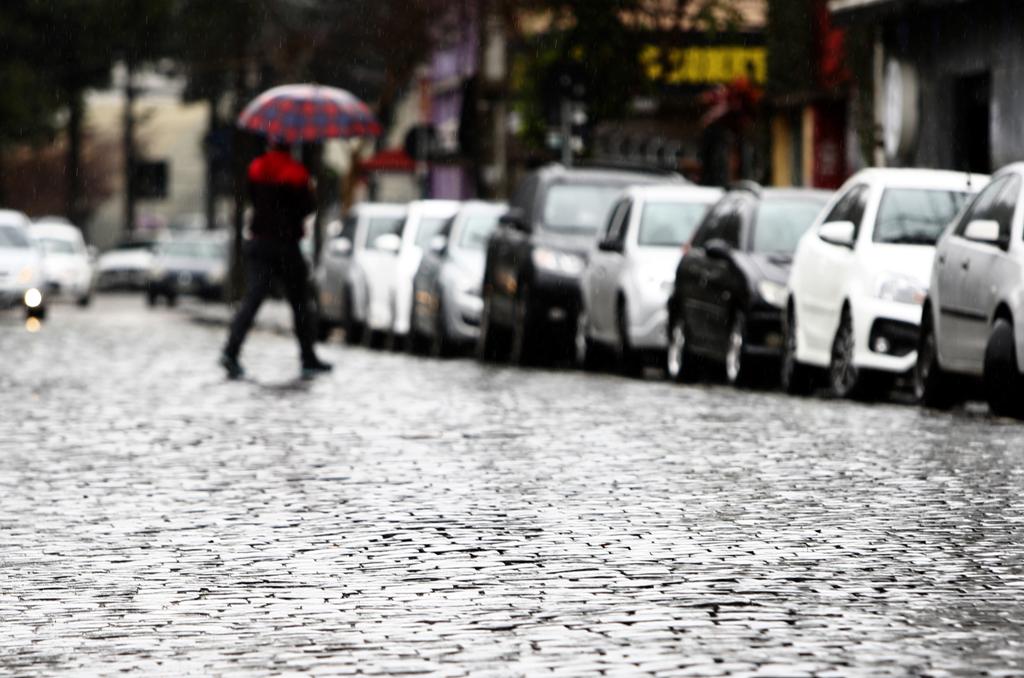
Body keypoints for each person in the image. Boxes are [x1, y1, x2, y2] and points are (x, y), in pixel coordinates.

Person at [220, 140, 332, 379]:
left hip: (260, 242)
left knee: (252, 300)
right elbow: (307, 208)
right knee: (300, 303)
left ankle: (231, 350)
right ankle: (308, 356)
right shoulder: (297, 173)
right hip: (286, 245)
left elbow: (251, 196)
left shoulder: (257, 167)